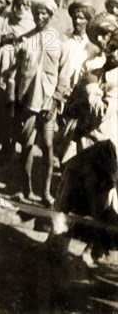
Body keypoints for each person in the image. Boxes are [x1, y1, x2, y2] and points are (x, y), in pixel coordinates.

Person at [50, 28, 118, 266]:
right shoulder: (97, 70)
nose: (113, 53)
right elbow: (75, 102)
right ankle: (57, 244)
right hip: (82, 144)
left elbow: (101, 112)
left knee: (99, 202)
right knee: (66, 193)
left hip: (103, 147)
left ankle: (92, 251)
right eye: (112, 47)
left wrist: (90, 93)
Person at [9, 0, 60, 205]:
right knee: (26, 145)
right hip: (28, 102)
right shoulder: (25, 39)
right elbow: (15, 70)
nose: (40, 17)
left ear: (50, 15)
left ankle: (46, 192)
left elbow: (62, 74)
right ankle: (25, 188)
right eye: (37, 13)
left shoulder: (57, 40)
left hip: (49, 104)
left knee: (47, 146)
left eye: (44, 14)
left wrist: (55, 100)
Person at [0, 0, 36, 160]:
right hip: (3, 72)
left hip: (22, 74)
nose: (21, 8)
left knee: (15, 111)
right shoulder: (5, 19)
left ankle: (10, 149)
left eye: (25, 4)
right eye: (18, 3)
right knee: (0, 109)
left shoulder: (32, 22)